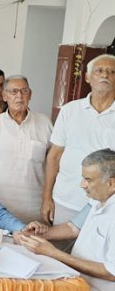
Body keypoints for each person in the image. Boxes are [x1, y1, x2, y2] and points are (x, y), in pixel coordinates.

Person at [20, 149, 115, 291]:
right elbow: (73, 227)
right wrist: (41, 233)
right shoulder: (99, 199)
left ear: (111, 183)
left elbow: (111, 272)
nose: (82, 185)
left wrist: (53, 253)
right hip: (77, 287)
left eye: (88, 180)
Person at [41, 54, 115, 228]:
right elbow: (54, 157)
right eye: (99, 71)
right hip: (65, 200)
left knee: (94, 253)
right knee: (57, 252)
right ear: (88, 77)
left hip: (106, 204)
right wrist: (46, 198)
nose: (105, 75)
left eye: (112, 72)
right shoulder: (70, 110)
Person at [0, 75, 53, 223]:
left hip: (35, 209)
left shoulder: (44, 123)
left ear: (30, 95)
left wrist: (49, 199)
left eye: (24, 91)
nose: (19, 96)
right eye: (14, 92)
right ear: (4, 96)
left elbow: (53, 164)